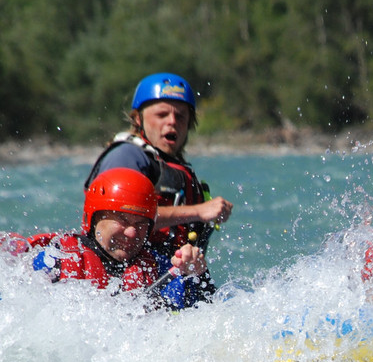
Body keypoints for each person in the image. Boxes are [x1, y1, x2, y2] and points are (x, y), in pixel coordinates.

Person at [86, 72, 232, 302]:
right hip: (134, 281)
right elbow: (117, 217)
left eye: (181, 116)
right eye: (162, 114)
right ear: (138, 119)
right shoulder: (128, 156)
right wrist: (199, 211)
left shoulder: (176, 167)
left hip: (172, 276)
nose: (172, 121)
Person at [27, 167, 209, 310]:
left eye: (140, 224)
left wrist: (198, 272)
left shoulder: (158, 268)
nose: (132, 233)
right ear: (93, 218)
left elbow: (207, 312)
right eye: (122, 220)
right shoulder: (55, 261)